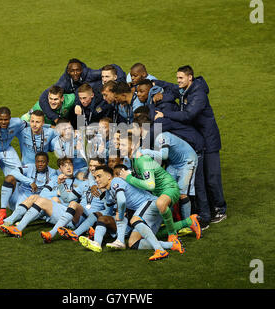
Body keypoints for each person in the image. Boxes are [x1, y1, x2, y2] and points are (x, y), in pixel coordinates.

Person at [155, 65, 227, 226]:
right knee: (203, 178)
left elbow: (189, 115)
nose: (178, 81)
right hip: (199, 137)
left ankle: (220, 209)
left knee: (212, 178)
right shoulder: (186, 90)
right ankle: (208, 208)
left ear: (190, 78)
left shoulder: (198, 94)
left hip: (209, 140)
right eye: (177, 77)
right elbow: (172, 86)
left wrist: (165, 114)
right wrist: (156, 82)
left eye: (181, 78)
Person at [79, 166, 187, 261]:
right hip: (148, 210)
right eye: (95, 178)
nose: (97, 180)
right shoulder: (108, 194)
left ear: (109, 176)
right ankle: (172, 245)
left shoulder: (116, 181)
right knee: (133, 243)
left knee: (133, 219)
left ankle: (160, 250)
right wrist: (99, 230)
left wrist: (120, 216)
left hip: (150, 203)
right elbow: (107, 215)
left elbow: (122, 201)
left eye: (99, 176)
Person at [0, 152, 58, 228]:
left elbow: (50, 189)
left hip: (37, 200)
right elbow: (13, 172)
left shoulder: (52, 172)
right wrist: (30, 182)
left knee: (25, 211)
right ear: (35, 162)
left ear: (47, 162)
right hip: (22, 196)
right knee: (9, 178)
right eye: (38, 161)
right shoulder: (30, 167)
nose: (40, 164)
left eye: (43, 162)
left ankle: (6, 222)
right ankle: (2, 211)